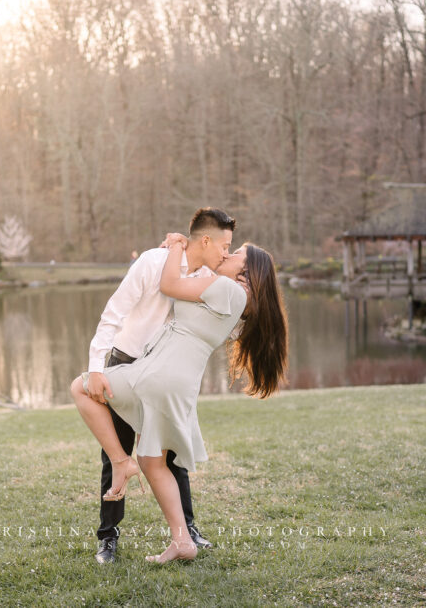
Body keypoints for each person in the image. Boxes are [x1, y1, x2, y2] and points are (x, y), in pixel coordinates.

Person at [71, 236, 288, 564]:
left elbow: (172, 284)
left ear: (246, 273)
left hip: (157, 375)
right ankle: (144, 537)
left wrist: (175, 247)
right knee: (150, 460)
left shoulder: (223, 289)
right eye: (226, 247)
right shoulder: (228, 296)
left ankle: (180, 525)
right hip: (148, 367)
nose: (226, 254)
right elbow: (125, 309)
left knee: (89, 400)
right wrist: (182, 251)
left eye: (234, 253)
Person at [81, 207, 236, 564]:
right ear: (206, 239)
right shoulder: (153, 262)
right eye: (224, 245)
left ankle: (187, 531)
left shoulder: (207, 278)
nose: (226, 252)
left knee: (171, 454)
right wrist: (97, 366)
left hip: (164, 374)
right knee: (115, 454)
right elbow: (113, 313)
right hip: (126, 362)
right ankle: (108, 537)